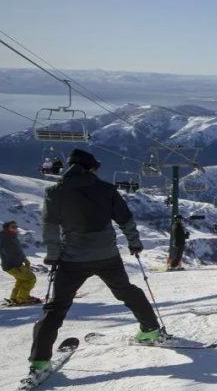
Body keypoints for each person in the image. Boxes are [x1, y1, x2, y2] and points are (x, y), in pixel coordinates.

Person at [29, 149, 160, 374]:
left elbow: (50, 226)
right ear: (91, 167)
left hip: (73, 259)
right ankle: (150, 329)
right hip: (107, 255)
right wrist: (134, 243)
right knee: (126, 291)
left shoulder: (55, 192)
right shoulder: (106, 189)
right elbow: (125, 219)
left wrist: (53, 254)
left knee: (56, 307)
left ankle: (39, 361)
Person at [0, 221, 40, 305]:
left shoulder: (11, 237)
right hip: (13, 266)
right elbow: (11, 255)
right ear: (6, 229)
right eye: (12, 227)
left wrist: (25, 260)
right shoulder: (7, 240)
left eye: (16, 227)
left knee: (21, 279)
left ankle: (14, 298)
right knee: (30, 278)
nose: (15, 228)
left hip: (12, 265)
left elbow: (18, 251)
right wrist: (19, 265)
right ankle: (22, 298)